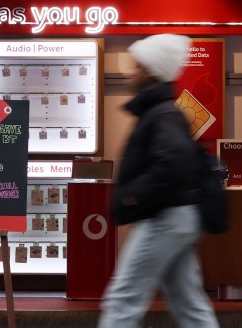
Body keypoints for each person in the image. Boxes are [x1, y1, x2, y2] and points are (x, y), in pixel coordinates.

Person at [98, 33, 220, 328]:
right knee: (189, 303)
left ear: (152, 71)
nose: (130, 71)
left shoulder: (161, 114)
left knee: (123, 297)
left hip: (164, 218)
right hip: (179, 219)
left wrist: (133, 197)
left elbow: (174, 164)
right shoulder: (164, 111)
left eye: (137, 65)